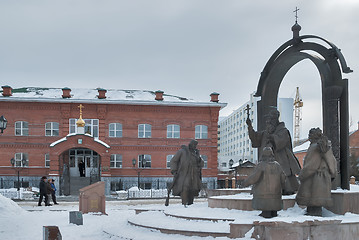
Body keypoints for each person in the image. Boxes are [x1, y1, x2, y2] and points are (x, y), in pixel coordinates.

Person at [246, 109, 301, 194]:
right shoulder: (265, 133)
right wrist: (250, 126)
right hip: (266, 161)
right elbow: (255, 138)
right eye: (267, 120)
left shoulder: (283, 131)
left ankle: (285, 189)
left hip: (281, 160)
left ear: (275, 120)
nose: (268, 122)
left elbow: (281, 142)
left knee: (284, 177)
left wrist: (272, 137)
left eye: (270, 120)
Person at [296, 128, 337, 216]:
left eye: (310, 135)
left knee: (312, 201)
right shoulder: (326, 146)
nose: (309, 137)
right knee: (317, 202)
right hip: (324, 177)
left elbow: (311, 166)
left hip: (314, 178)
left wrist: (302, 176)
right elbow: (332, 162)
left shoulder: (315, 147)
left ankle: (312, 216)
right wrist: (332, 174)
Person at [241, 147, 286, 218]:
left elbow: (254, 177)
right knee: (274, 205)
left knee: (266, 207)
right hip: (276, 193)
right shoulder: (277, 165)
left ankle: (266, 213)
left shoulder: (262, 165)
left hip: (263, 194)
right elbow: (283, 178)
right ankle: (274, 212)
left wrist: (245, 183)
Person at [170, 139, 204, 206]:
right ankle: (184, 204)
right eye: (193, 145)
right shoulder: (182, 151)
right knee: (184, 188)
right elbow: (173, 161)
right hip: (184, 173)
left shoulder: (195, 153)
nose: (194, 146)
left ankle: (190, 204)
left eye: (196, 145)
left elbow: (201, 164)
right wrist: (174, 170)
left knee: (193, 189)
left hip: (194, 174)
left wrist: (199, 158)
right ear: (190, 144)